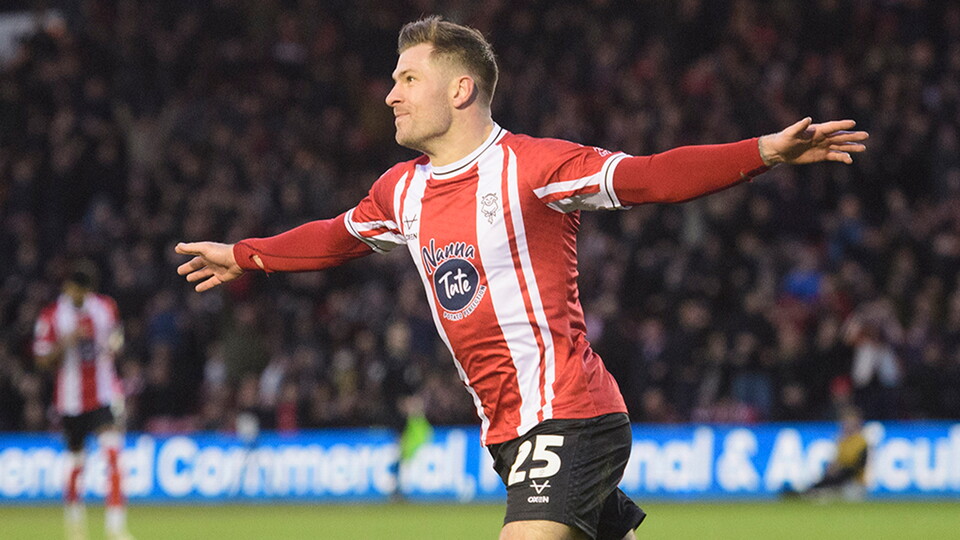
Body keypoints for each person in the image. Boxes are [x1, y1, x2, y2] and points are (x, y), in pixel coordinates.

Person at [175, 16, 868, 540]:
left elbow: (649, 177)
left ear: (461, 88)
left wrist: (762, 152)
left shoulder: (534, 167)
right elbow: (335, 238)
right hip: (506, 431)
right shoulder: (401, 190)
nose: (389, 96)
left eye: (407, 79)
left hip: (567, 412)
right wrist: (245, 254)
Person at [34, 261, 133, 540]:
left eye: (84, 291)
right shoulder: (52, 315)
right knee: (77, 463)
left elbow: (116, 338)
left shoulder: (105, 307)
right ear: (68, 288)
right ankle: (75, 527)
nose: (80, 295)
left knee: (113, 456)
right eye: (76, 290)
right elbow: (41, 360)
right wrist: (65, 343)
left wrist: (115, 345)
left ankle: (116, 529)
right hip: (70, 401)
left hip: (102, 395)